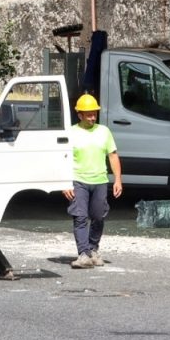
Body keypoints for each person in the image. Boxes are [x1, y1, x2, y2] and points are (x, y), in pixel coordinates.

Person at [64, 94, 123, 269]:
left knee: (98, 216)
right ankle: (83, 254)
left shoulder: (104, 131)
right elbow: (62, 158)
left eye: (94, 114)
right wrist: (64, 183)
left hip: (100, 181)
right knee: (80, 217)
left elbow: (113, 156)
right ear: (79, 115)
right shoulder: (70, 133)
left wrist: (118, 180)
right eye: (88, 114)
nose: (92, 117)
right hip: (78, 180)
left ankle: (93, 249)